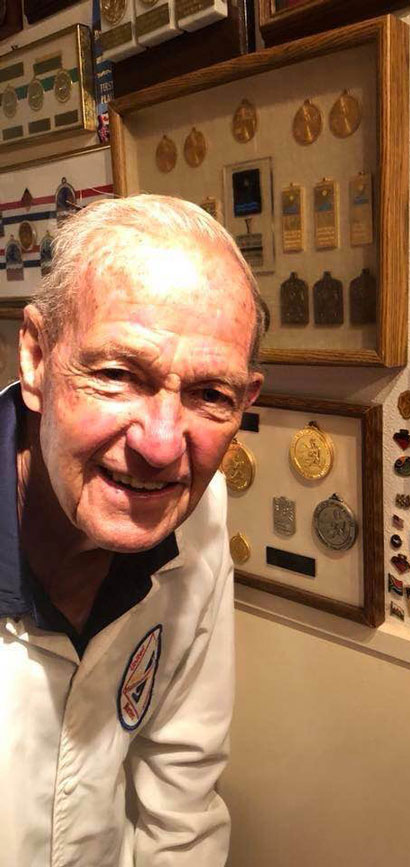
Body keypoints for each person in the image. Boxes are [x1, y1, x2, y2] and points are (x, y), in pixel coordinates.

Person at [0, 194, 265, 865]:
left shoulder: (199, 510)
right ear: (35, 356)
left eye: (210, 394)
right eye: (118, 374)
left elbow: (182, 795)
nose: (162, 445)